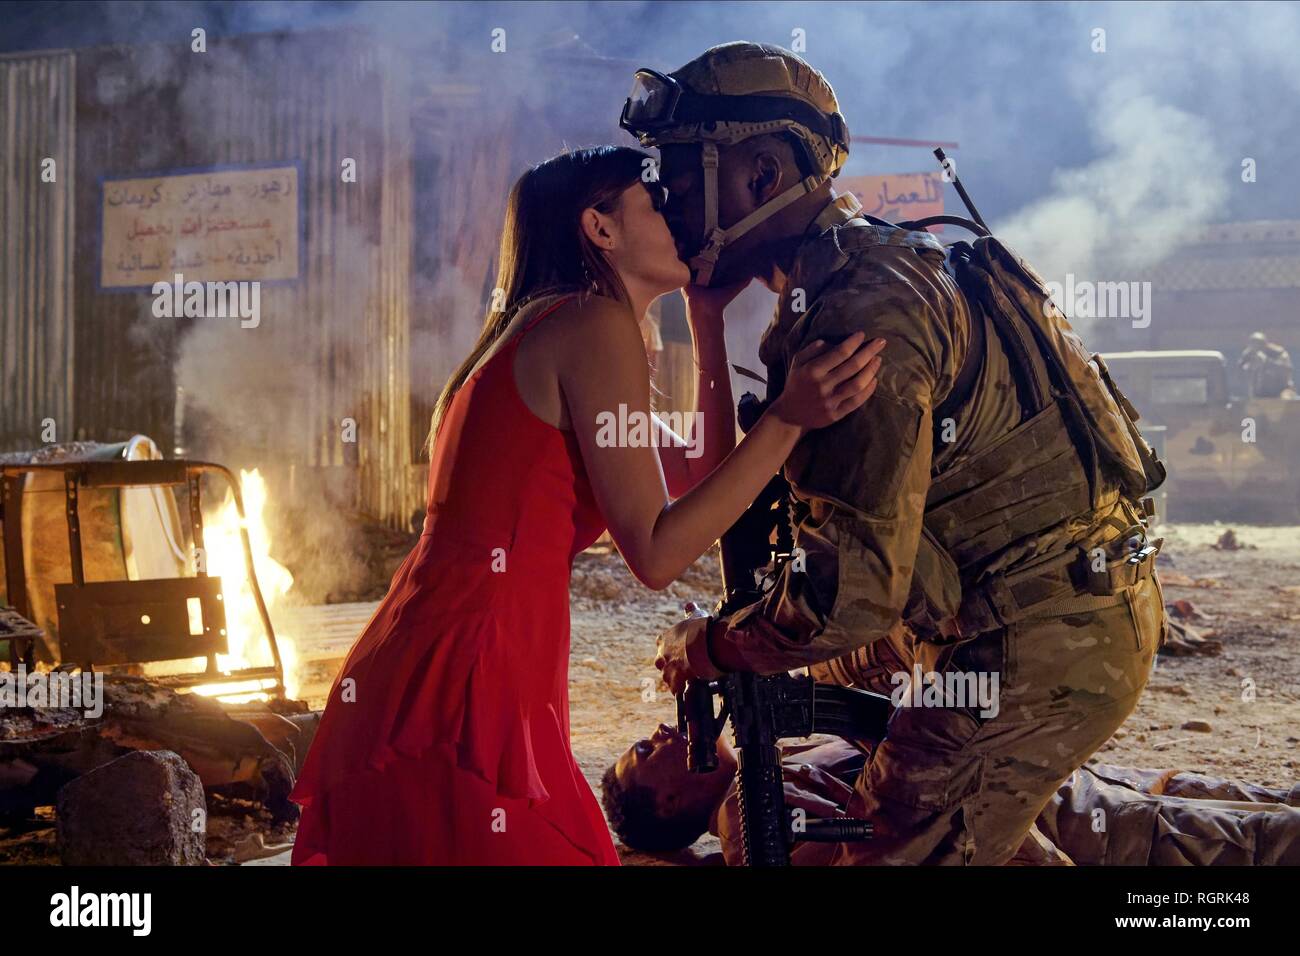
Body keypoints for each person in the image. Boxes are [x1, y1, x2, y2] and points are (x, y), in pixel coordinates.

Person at [623, 41, 1167, 865]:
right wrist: (704, 317)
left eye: (680, 172)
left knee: (894, 844)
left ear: (762, 176)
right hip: (1021, 607)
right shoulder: (863, 268)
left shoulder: (860, 311)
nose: (665, 199)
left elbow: (849, 598)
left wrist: (710, 645)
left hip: (1031, 638)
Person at [288, 145, 885, 865]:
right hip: (469, 660)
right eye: (654, 204)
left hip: (448, 643)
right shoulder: (591, 325)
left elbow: (700, 469)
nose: (677, 215)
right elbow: (657, 554)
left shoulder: (560, 325)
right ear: (600, 229)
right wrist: (788, 418)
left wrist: (705, 320)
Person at [603, 723, 1300, 866]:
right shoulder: (748, 820)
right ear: (668, 804)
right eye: (646, 751)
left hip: (1071, 790)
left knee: (1264, 810)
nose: (662, 730)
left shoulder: (769, 758)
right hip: (1073, 826)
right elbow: (871, 838)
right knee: (1267, 844)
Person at [1237, 331, 1296, 399]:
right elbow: (1240, 369)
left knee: (1286, 399)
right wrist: (1248, 365)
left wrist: (1267, 361)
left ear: (1265, 344)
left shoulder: (1278, 353)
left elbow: (1287, 369)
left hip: (1282, 389)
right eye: (1253, 344)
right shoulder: (1249, 354)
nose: (1257, 347)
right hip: (1260, 391)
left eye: (1259, 344)